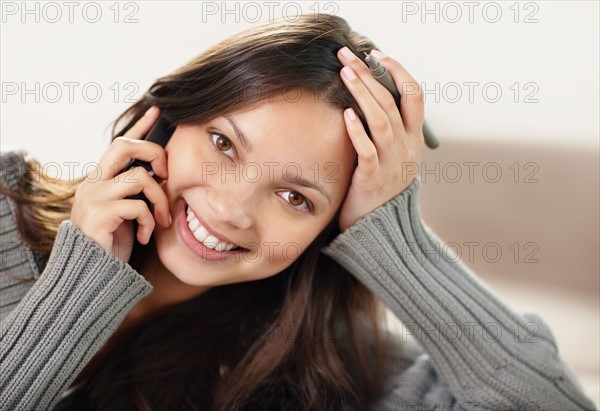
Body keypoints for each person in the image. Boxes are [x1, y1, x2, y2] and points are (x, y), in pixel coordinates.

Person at [0, 14, 595, 411]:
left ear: (332, 228)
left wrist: (397, 239)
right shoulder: (6, 204)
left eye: (296, 198)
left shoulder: (326, 367)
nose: (231, 208)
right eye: (224, 144)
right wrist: (76, 289)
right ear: (164, 121)